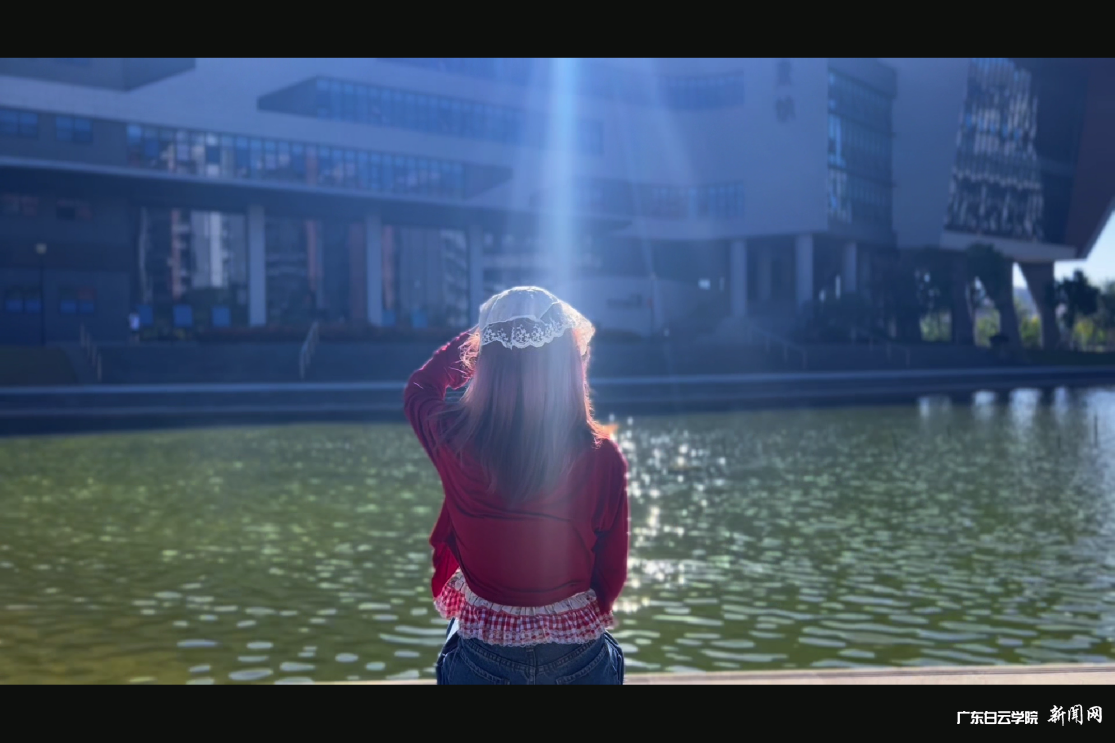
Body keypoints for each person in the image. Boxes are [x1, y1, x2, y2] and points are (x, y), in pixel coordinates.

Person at [404, 286, 629, 685]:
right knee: (609, 652)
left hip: (483, 663)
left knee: (455, 635)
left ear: (485, 361)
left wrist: (491, 333)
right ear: (568, 365)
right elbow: (610, 577)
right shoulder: (603, 455)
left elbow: (421, 387)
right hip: (579, 662)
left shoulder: (453, 440)